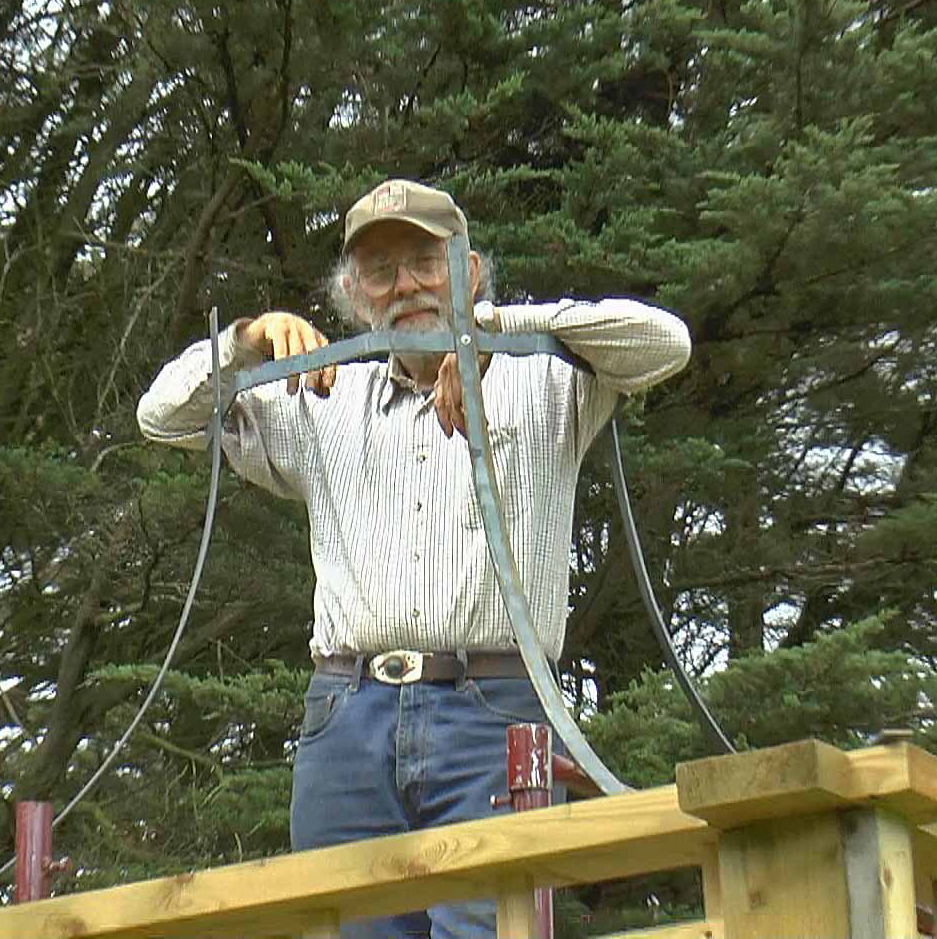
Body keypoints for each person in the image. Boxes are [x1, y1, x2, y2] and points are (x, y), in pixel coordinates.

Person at [136, 178, 691, 938]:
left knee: (488, 930)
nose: (406, 285)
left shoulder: (546, 378)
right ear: (355, 295)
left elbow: (665, 341)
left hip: (493, 713)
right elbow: (163, 418)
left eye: (426, 261)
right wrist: (246, 339)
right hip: (347, 718)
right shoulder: (322, 394)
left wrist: (488, 336)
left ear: (467, 270)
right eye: (381, 270)